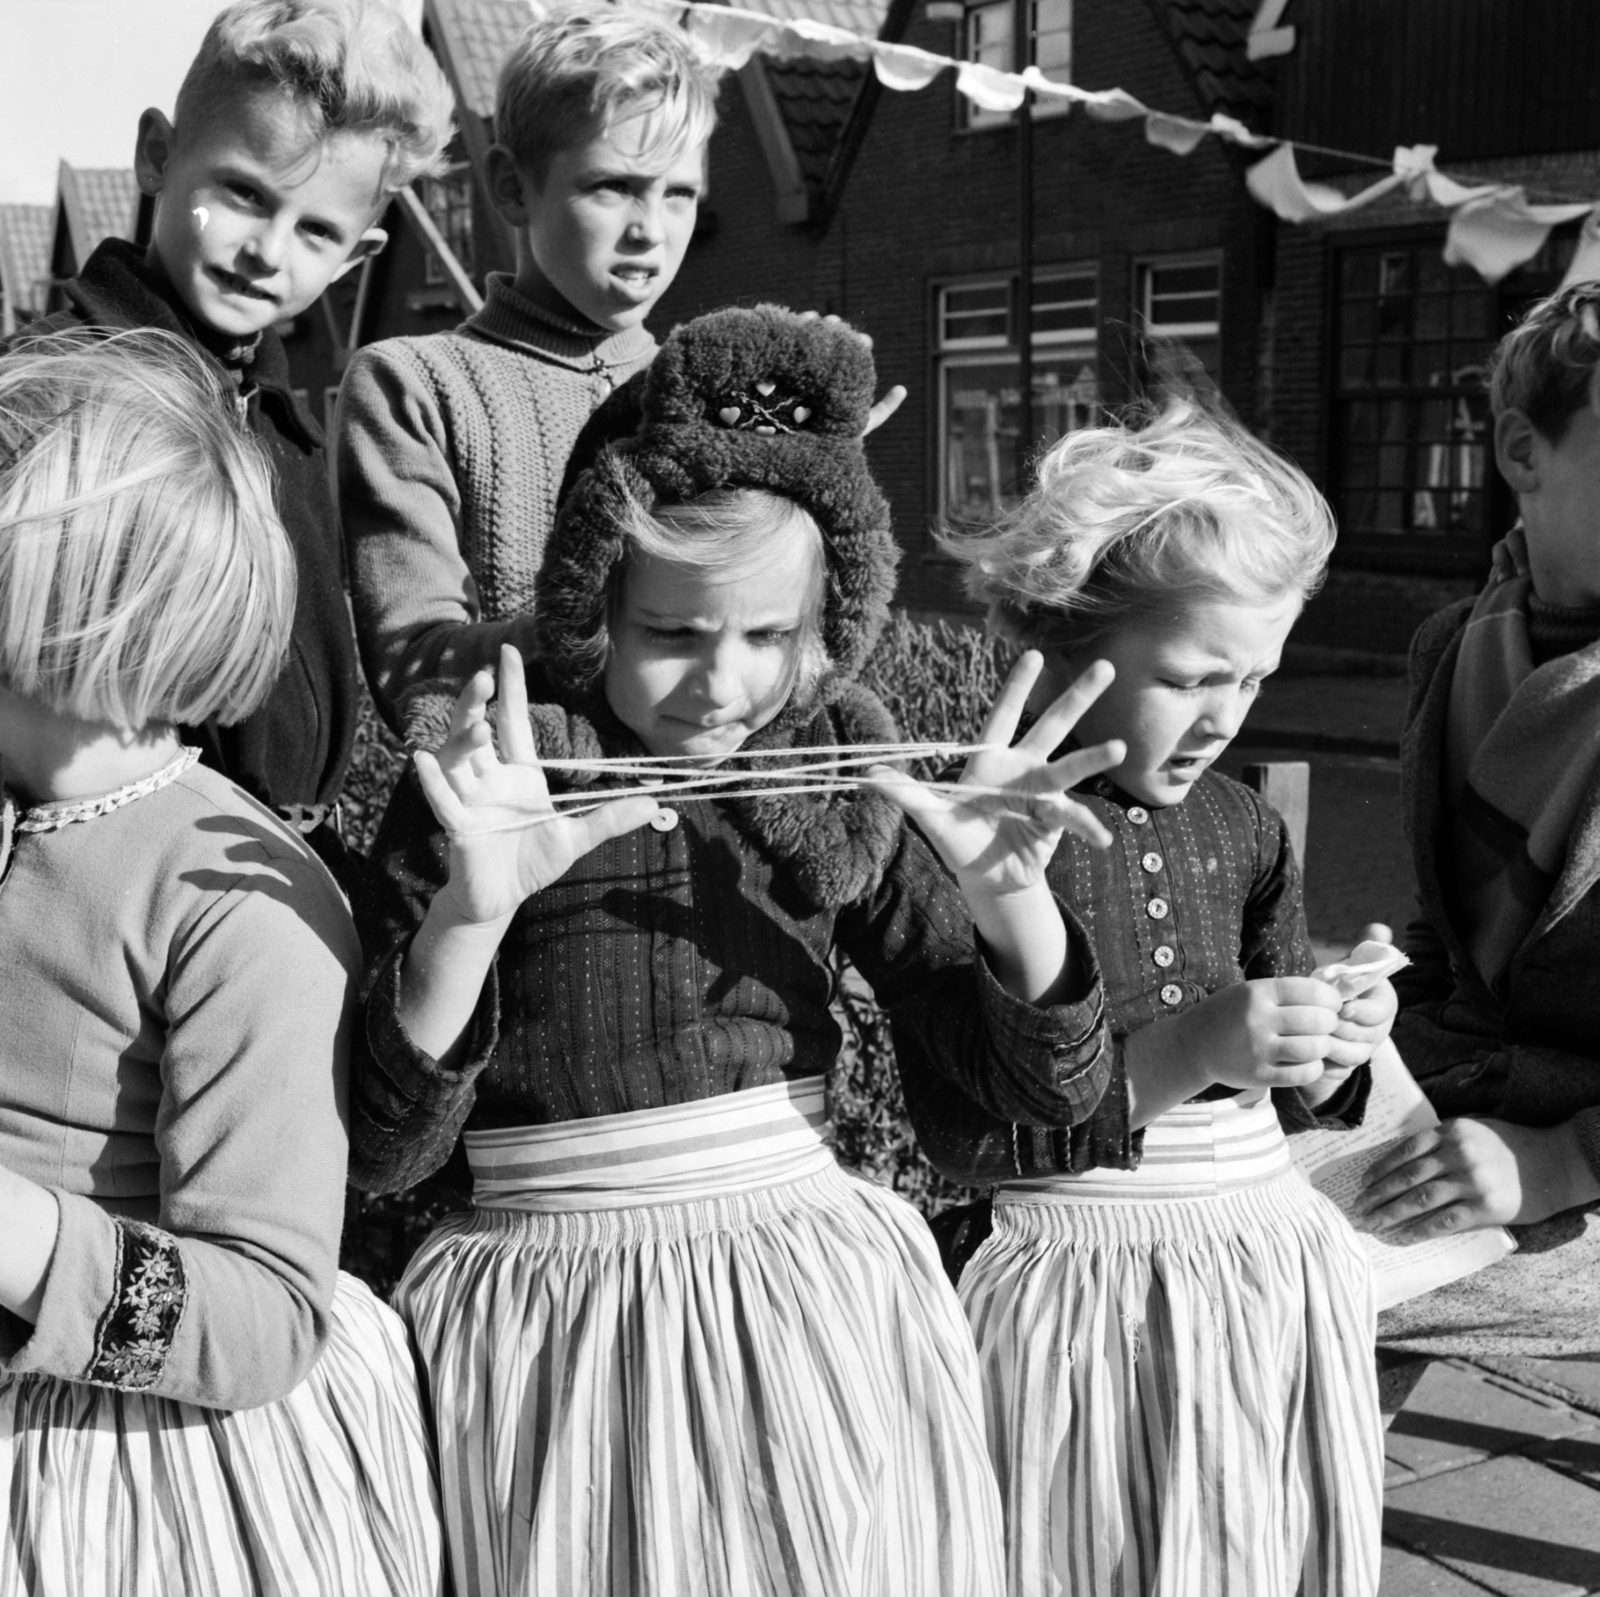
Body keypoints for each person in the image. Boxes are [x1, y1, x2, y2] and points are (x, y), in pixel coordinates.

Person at [351, 306, 1127, 1596]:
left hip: (807, 1294)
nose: (722, 683)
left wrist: (1011, 908)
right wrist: (467, 913)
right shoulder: (495, 783)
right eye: (674, 634)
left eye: (768, 637)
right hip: (555, 1329)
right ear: (595, 598)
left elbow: (1050, 1096)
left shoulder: (834, 783)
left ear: (832, 615)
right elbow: (384, 1148)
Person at [0, 331, 443, 1596]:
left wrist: (22, 1235)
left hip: (106, 1480)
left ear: (69, 591)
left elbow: (265, 1313)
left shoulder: (240, 902)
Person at [934, 402, 1396, 1597]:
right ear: (1061, 637)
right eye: (1188, 677)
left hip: (1254, 1262)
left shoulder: (1242, 822)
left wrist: (1333, 1034)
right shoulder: (991, 839)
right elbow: (969, 1130)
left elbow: (1289, 1078)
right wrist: (1193, 1047)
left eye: (1253, 677)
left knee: (1242, 1538)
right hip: (1079, 1278)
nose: (1225, 715)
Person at [33, 0, 454, 883]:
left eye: (315, 231)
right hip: (111, 888)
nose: (268, 250)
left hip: (284, 879)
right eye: (244, 193)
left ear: (356, 256)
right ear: (156, 155)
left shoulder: (285, 433)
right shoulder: (47, 391)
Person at [336, 3, 721, 734]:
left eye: (679, 194)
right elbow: (414, 668)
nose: (651, 231)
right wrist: (621, 626)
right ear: (512, 187)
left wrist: (811, 471)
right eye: (612, 187)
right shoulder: (413, 385)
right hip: (519, 820)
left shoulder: (706, 387)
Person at [1359, 282, 1600, 1363]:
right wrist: (1355, 1016)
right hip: (1451, 1091)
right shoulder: (1451, 650)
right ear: (1519, 447)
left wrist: (1563, 1160)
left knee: (1288, 1282)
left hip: (1577, 1159)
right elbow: (1444, 939)